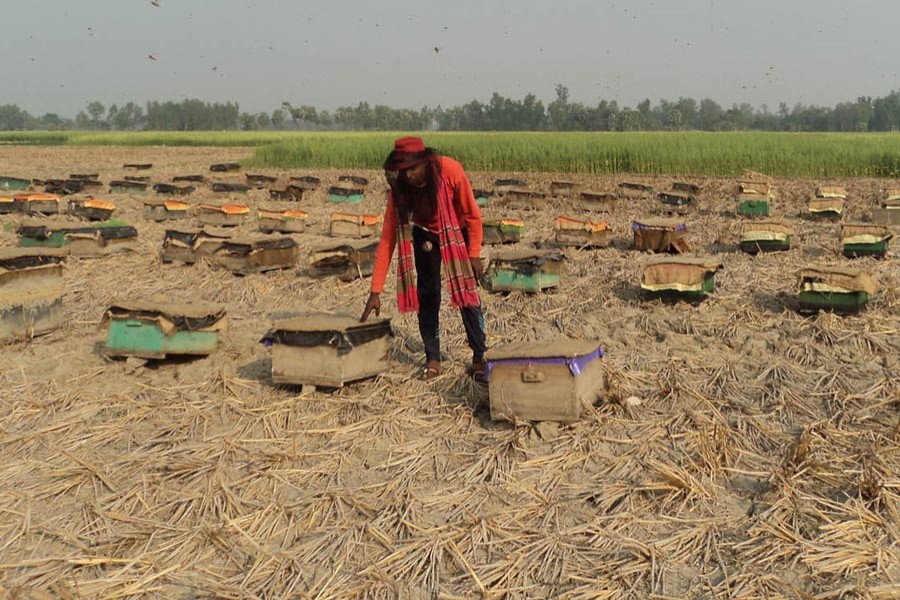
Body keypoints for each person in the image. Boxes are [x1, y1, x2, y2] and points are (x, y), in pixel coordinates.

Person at [360, 136, 487, 381]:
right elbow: (388, 240)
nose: (407, 176)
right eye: (402, 171)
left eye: (412, 169)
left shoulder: (450, 171)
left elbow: (472, 214)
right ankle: (433, 357)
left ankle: (479, 356)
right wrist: (375, 290)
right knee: (428, 295)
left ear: (425, 162)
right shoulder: (399, 190)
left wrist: (473, 253)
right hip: (426, 235)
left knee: (467, 296)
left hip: (456, 232)